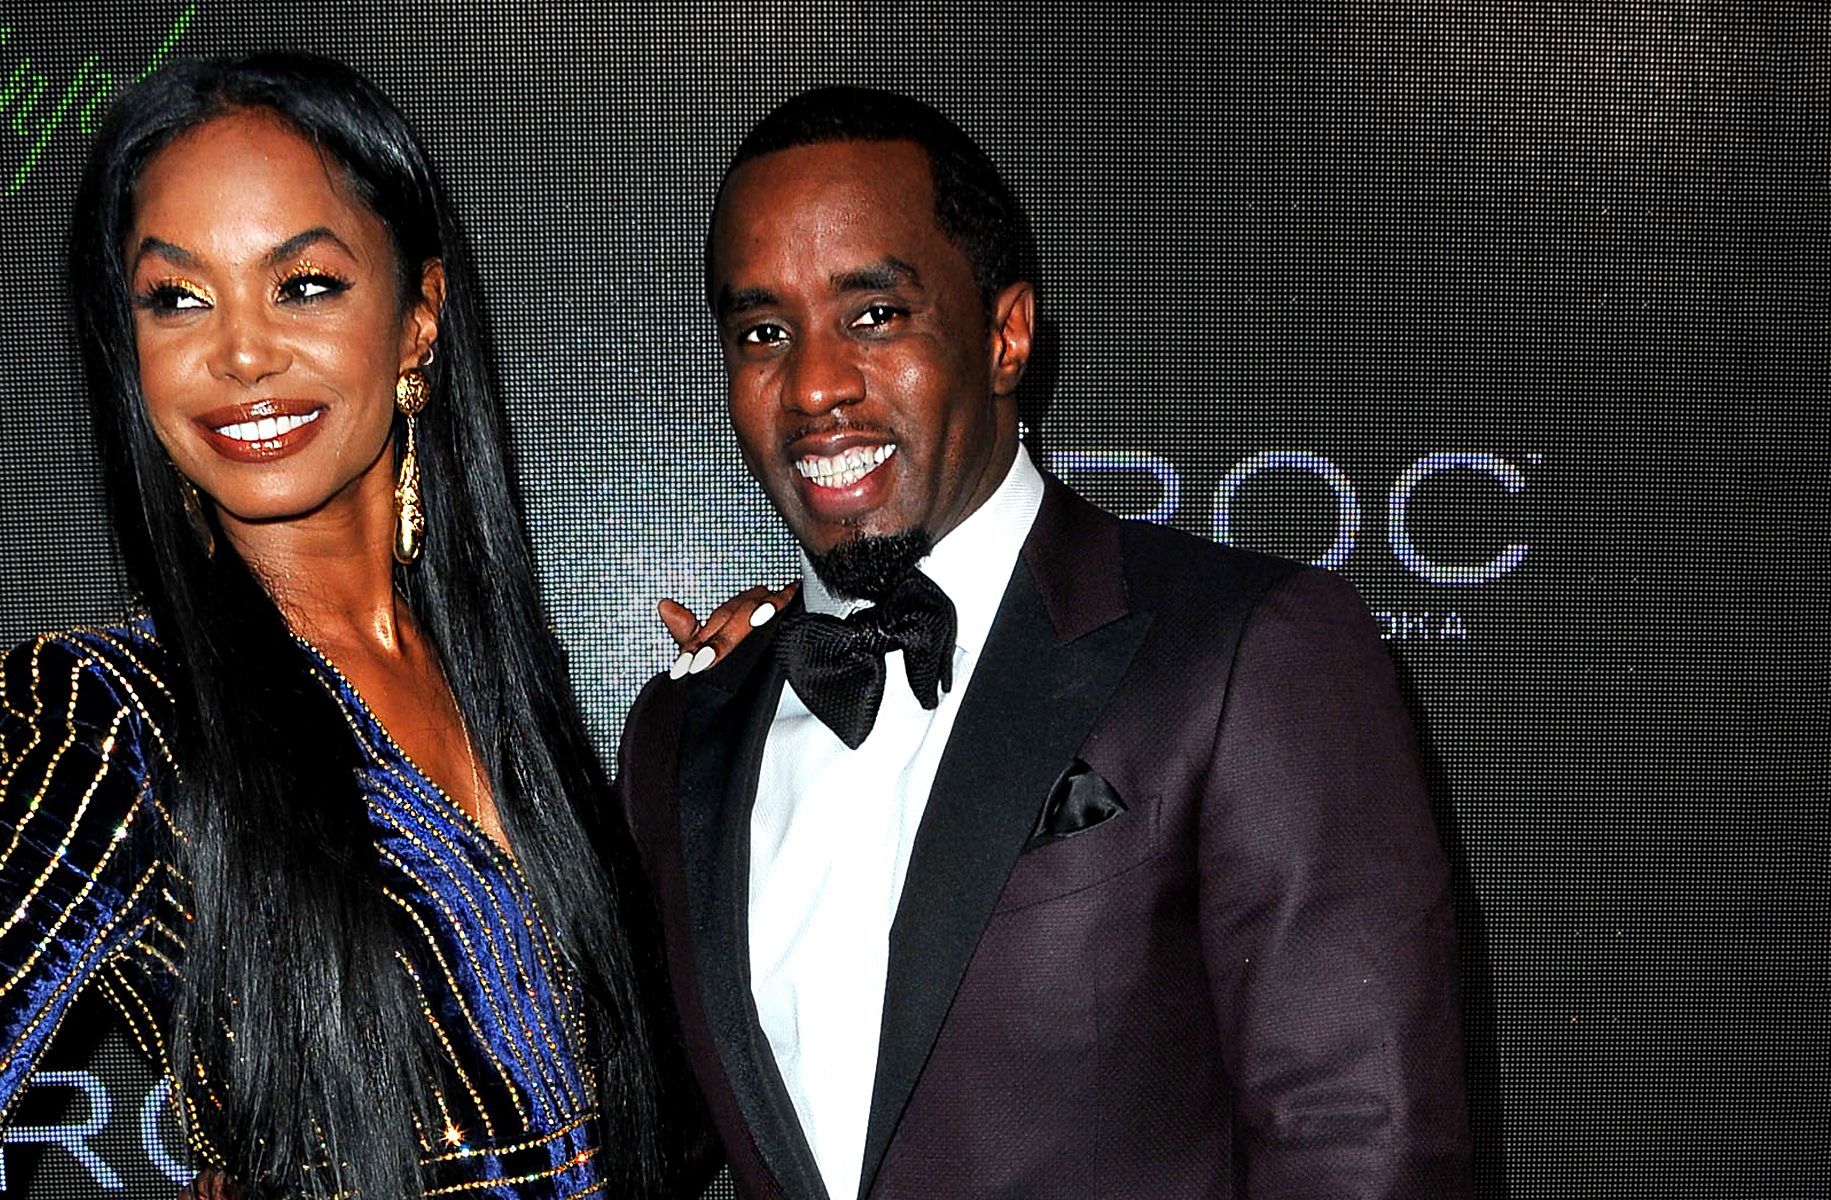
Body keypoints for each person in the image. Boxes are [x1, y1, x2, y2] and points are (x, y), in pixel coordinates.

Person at [0, 52, 686, 1200]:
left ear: (417, 321)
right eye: (177, 298)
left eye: (302, 283)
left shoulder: (493, 670)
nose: (241, 353)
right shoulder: (124, 717)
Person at [622, 87, 1472, 1199]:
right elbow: (643, 1135)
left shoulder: (1247, 657)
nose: (816, 384)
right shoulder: (687, 727)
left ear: (1006, 334)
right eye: (763, 333)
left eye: (875, 314)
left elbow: (1367, 1153)